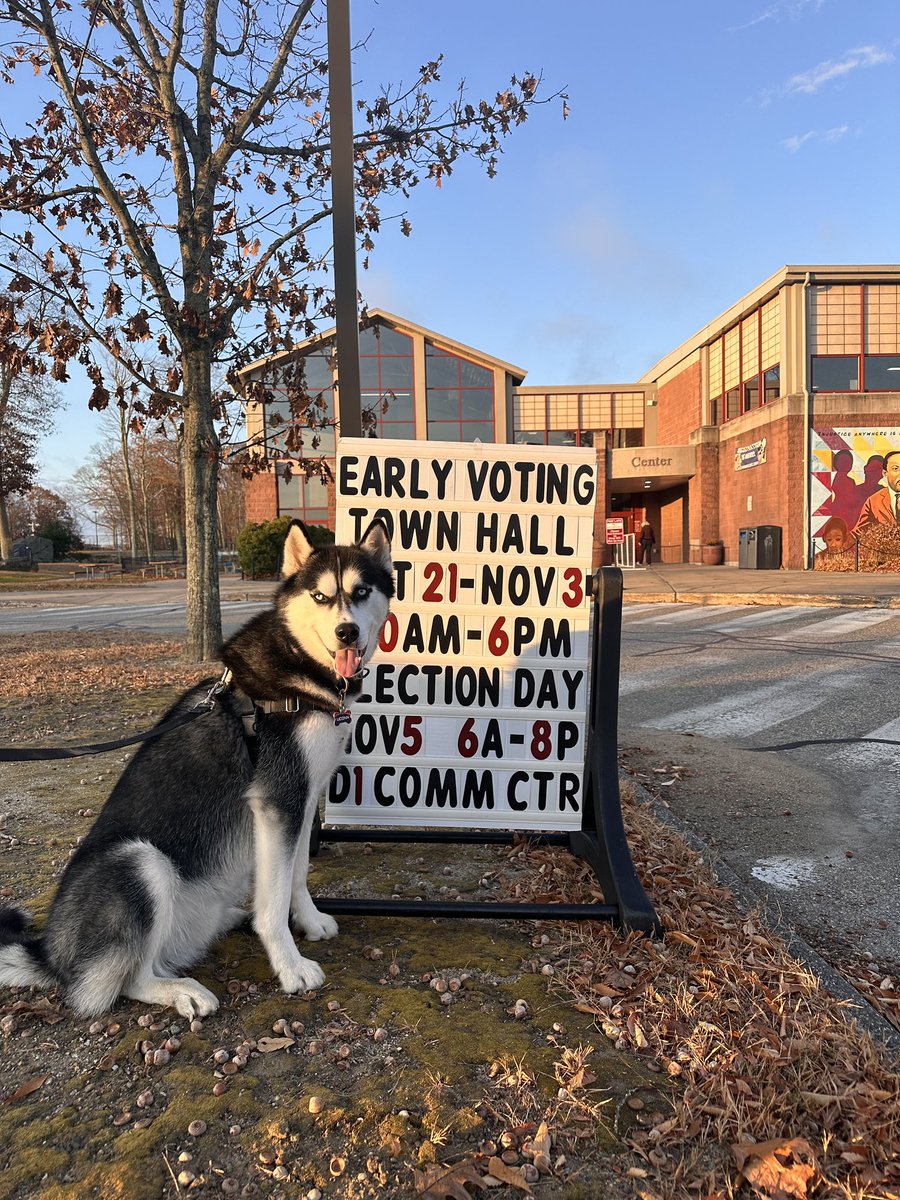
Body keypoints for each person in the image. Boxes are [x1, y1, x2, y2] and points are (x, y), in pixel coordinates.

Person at [852, 449, 900, 535]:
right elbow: (858, 532)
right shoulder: (873, 501)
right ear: (885, 473)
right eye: (895, 468)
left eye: (875, 471)